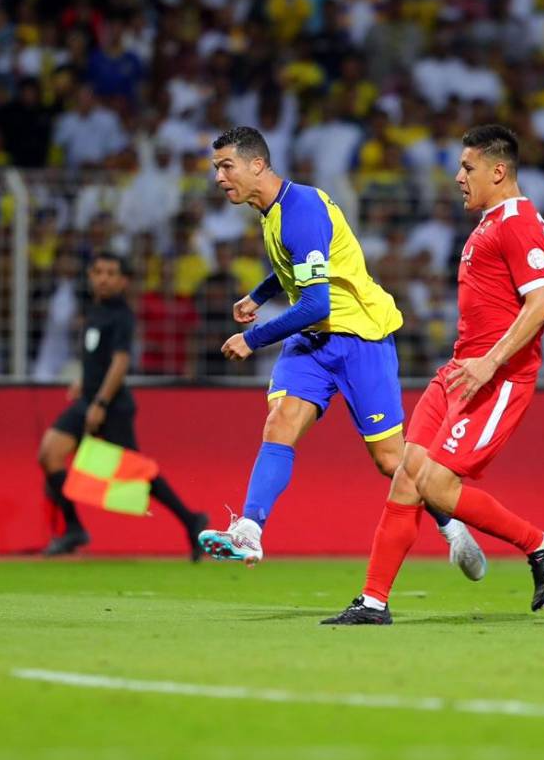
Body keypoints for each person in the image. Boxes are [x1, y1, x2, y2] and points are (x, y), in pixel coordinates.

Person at [197, 126, 485, 577]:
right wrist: (259, 295)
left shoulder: (301, 210)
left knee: (391, 460)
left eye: (225, 166)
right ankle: (249, 529)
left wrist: (251, 339)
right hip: (313, 341)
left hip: (359, 338)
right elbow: (298, 265)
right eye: (216, 168)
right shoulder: (272, 210)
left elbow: (317, 303)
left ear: (257, 165)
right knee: (280, 422)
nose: (218, 177)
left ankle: (453, 528)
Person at [322, 125, 544, 626]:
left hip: (497, 376)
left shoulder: (518, 221)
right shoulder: (489, 223)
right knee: (407, 475)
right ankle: (373, 601)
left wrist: (490, 362)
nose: (458, 177)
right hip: (461, 370)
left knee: (437, 485)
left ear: (498, 171)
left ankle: (543, 545)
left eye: (467, 167)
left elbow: (542, 302)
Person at [36, 251, 208, 558]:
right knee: (49, 454)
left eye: (111, 273)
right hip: (90, 398)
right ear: (90, 275)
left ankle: (191, 520)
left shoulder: (121, 316)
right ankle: (73, 528)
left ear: (124, 281)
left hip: (111, 406)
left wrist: (100, 402)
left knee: (136, 471)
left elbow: (120, 362)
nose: (103, 278)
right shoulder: (95, 310)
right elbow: (98, 358)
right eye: (98, 272)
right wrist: (84, 382)